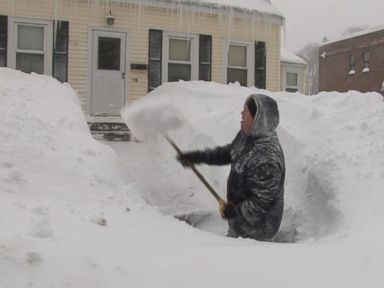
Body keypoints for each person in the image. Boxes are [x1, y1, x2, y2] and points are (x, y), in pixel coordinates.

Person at [177, 94, 285, 241]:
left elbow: (260, 204)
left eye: (246, 111)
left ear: (258, 118)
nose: (241, 113)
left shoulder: (267, 157)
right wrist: (197, 157)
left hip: (258, 232)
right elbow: (230, 152)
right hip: (241, 223)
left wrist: (234, 212)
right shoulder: (247, 136)